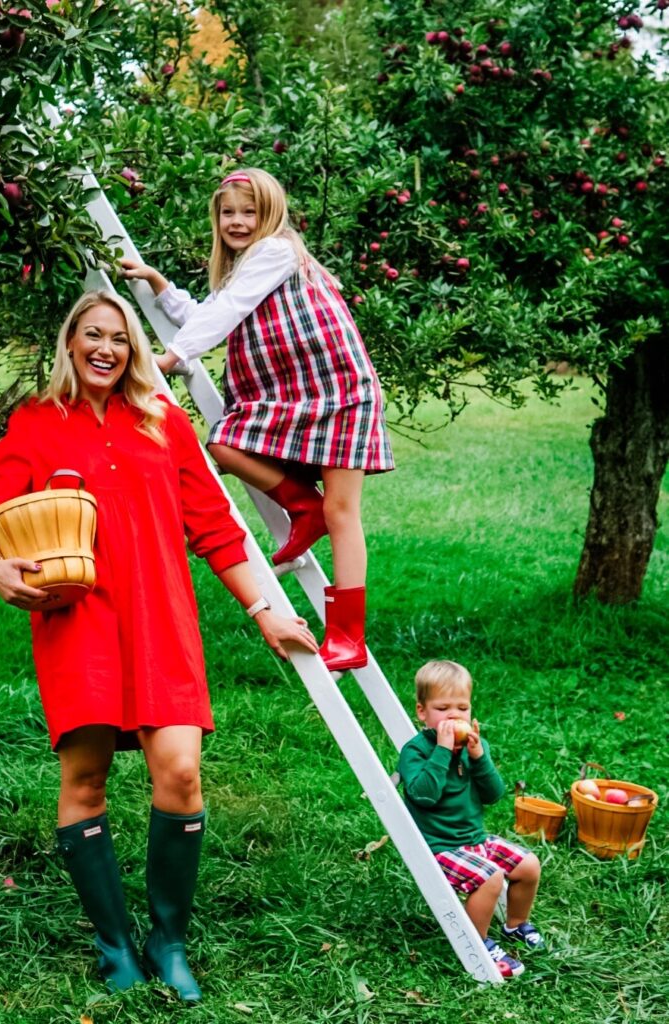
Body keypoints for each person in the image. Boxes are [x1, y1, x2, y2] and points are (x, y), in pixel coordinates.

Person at [0, 290, 318, 1003]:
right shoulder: (35, 424)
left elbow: (215, 527)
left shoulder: (163, 423)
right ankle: (114, 943)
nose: (105, 348)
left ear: (132, 351)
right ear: (70, 343)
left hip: (162, 622)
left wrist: (263, 610)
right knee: (85, 780)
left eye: (119, 339)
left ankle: (169, 939)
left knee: (180, 773)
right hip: (78, 625)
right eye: (92, 335)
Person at [118, 167, 394, 673]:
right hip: (298, 396)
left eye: (250, 212)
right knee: (225, 443)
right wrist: (163, 289)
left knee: (342, 511)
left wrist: (173, 357)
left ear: (271, 216)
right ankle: (300, 508)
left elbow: (228, 310)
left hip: (341, 389)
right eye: (228, 213)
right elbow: (220, 308)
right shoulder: (246, 268)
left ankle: (348, 635)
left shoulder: (279, 250)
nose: (238, 222)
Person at [398, 660, 544, 979]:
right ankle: (478, 943)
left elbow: (493, 794)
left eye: (462, 707)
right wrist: (442, 751)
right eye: (443, 708)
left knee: (529, 865)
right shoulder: (416, 752)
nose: (454, 716)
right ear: (422, 712)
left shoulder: (474, 747)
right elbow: (423, 795)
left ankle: (515, 924)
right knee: (490, 877)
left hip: (474, 839)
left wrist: (479, 758)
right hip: (439, 847)